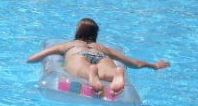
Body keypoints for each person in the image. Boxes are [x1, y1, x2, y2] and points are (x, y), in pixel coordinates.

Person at [26, 17, 170, 96]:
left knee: (81, 68)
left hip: (78, 54)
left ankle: (91, 75)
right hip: (101, 57)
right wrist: (154, 66)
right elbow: (133, 63)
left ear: (77, 32)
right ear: (96, 34)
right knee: (110, 70)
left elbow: (33, 59)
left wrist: (36, 59)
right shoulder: (102, 48)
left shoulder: (68, 45)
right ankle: (116, 75)